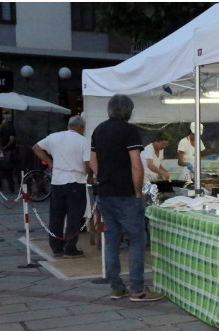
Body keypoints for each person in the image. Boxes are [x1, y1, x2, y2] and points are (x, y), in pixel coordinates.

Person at [90, 94, 163, 302]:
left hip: (105, 193)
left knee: (111, 241)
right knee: (136, 240)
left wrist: (103, 176)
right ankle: (137, 289)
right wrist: (137, 191)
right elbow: (136, 164)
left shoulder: (99, 129)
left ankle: (116, 287)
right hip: (126, 194)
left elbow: (92, 161)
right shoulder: (129, 131)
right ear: (128, 110)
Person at [32, 116, 91, 258]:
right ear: (81, 128)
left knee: (56, 215)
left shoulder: (54, 137)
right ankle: (70, 248)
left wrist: (50, 162)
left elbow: (36, 148)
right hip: (76, 180)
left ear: (69, 126)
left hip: (57, 181)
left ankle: (56, 247)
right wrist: (87, 175)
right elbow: (87, 163)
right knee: (74, 216)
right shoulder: (84, 141)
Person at [0, 118, 17, 193]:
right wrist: (0, 126)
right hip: (2, 151)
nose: (4, 125)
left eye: (5, 123)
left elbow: (12, 140)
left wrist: (5, 147)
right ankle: (0, 186)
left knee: (8, 169)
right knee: (0, 168)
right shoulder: (2, 131)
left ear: (8, 124)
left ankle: (11, 188)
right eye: (3, 123)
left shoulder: (11, 130)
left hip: (9, 151)